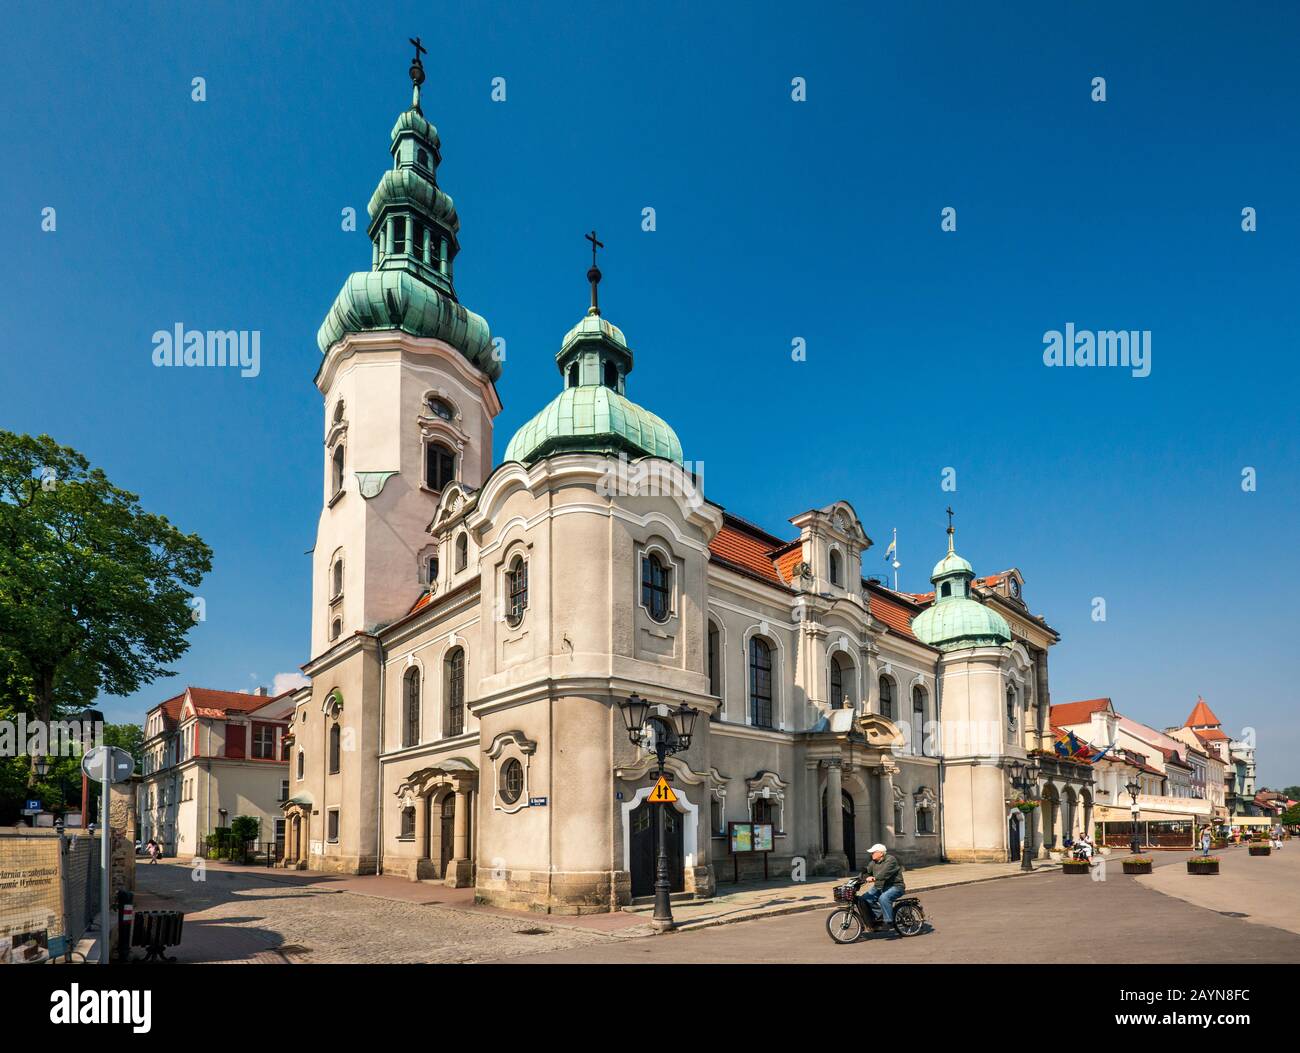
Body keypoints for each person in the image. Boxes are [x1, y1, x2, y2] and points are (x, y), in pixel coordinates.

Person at [858, 843, 906, 929]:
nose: (871, 854)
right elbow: (867, 871)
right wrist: (862, 876)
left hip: (895, 886)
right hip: (879, 887)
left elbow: (884, 874)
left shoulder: (891, 860)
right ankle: (880, 915)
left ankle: (888, 921)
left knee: (883, 898)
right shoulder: (873, 862)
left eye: (873, 852)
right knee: (864, 899)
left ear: (881, 853)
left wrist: (874, 878)